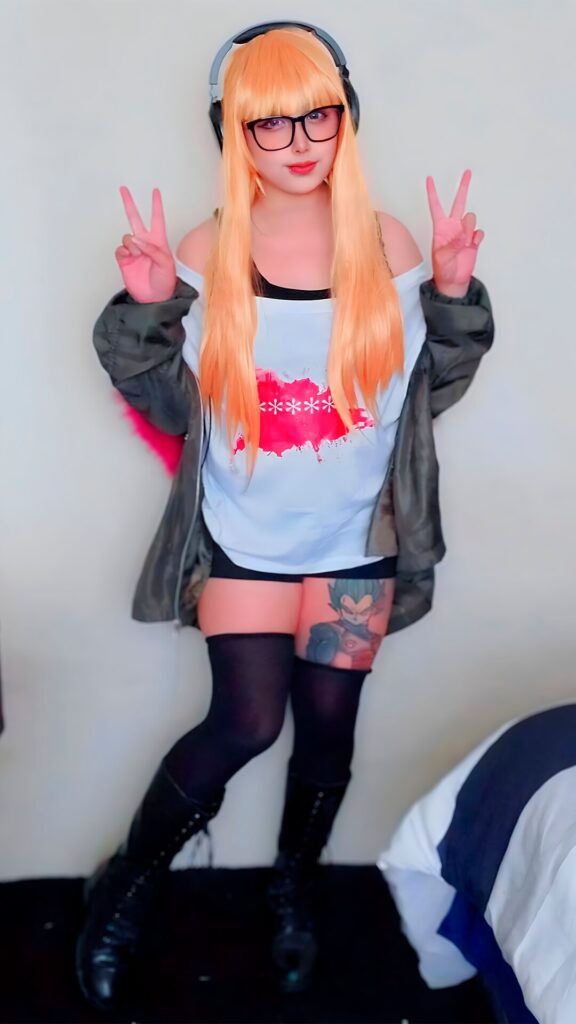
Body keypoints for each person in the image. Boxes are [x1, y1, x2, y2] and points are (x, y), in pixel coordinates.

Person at [76, 21, 494, 1010]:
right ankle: (124, 889)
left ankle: (293, 888)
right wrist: (149, 309)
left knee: (328, 731)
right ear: (233, 131)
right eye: (271, 122)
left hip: (358, 543)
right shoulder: (207, 247)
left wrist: (448, 292)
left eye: (318, 115)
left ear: (347, 115)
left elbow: (427, 392)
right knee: (247, 722)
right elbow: (169, 405)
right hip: (245, 540)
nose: (300, 141)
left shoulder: (387, 242)